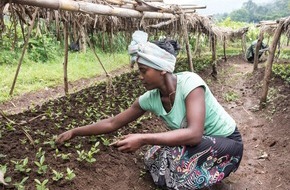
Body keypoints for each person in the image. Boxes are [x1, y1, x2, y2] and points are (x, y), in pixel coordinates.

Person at [56, 31, 243, 190]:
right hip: (199, 143)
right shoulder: (150, 98)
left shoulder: (190, 84)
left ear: (162, 69)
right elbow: (113, 123)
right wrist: (75, 132)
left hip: (227, 143)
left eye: (144, 70)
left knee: (173, 159)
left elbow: (194, 134)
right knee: (154, 156)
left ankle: (213, 177)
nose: (140, 76)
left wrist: (143, 137)